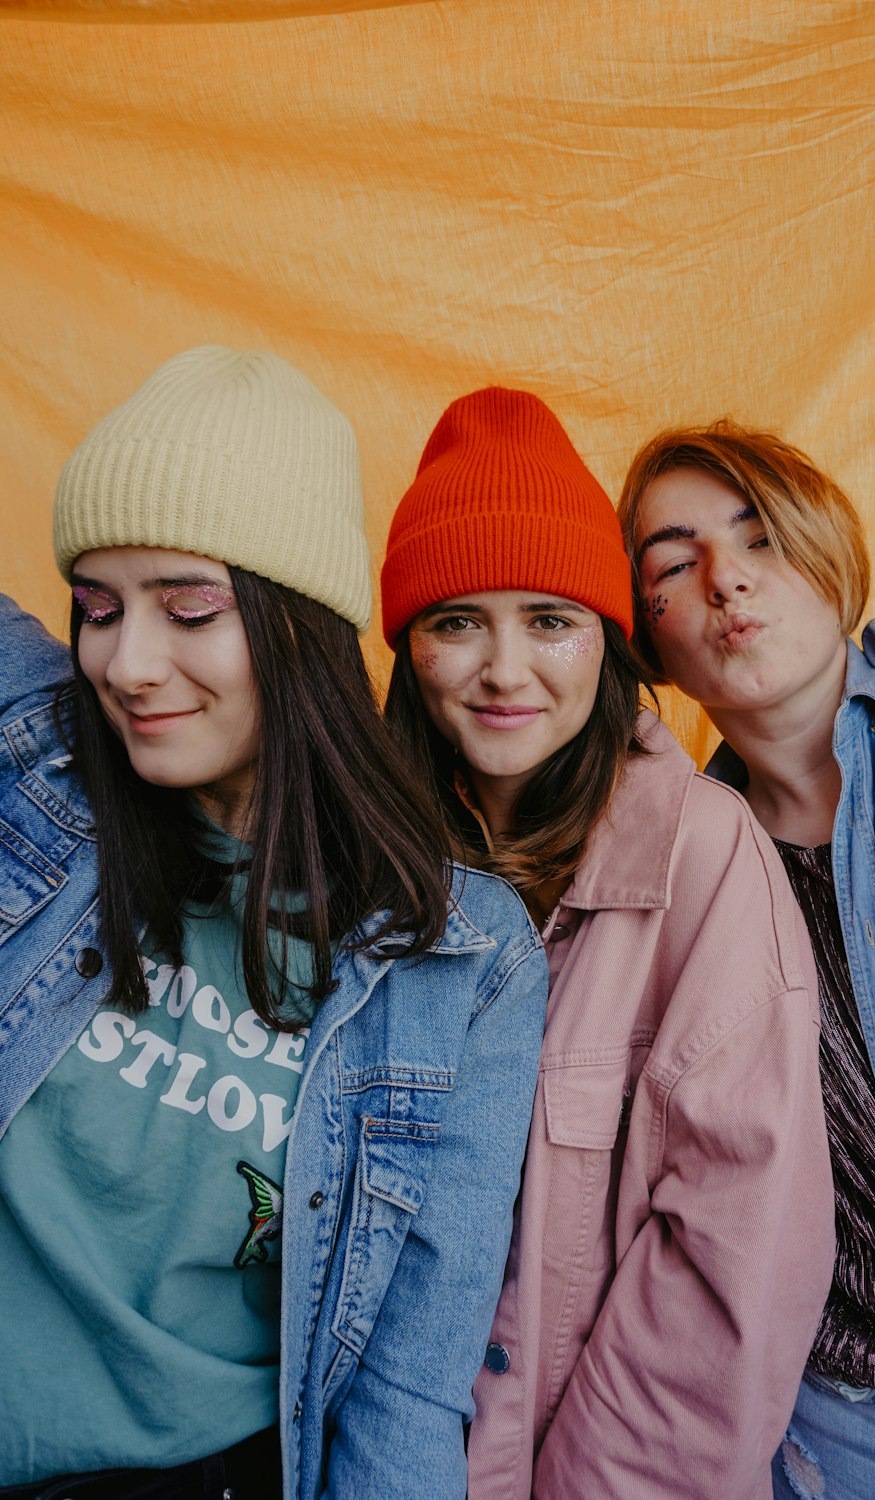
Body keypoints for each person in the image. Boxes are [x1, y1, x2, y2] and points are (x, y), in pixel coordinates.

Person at [0, 347, 548, 1500]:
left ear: (304, 628)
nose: (128, 664)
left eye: (190, 608)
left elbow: (407, 1384)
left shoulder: (461, 958)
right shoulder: (37, 766)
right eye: (97, 610)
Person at [379, 385, 834, 1500]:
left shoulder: (701, 854)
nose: (503, 670)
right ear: (406, 649)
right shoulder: (362, 862)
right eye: (454, 622)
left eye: (548, 620)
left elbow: (730, 1259)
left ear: (607, 643)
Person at [618, 418, 875, 1499]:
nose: (727, 581)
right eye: (674, 566)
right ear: (647, 639)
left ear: (825, 551)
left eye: (759, 538)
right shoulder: (677, 865)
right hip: (869, 1411)